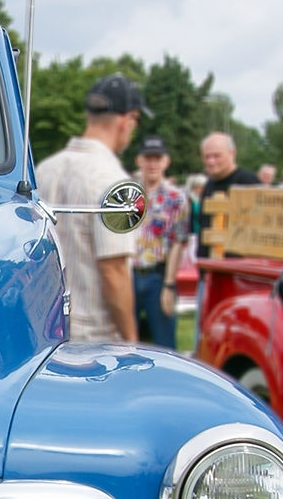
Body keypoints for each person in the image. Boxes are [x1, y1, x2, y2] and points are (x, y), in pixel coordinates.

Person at [37, 73, 149, 342]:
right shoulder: (112, 180)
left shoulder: (45, 170)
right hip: (92, 337)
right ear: (127, 120)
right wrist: (130, 340)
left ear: (90, 116)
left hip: (45, 328)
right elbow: (114, 271)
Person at [131, 137, 189, 349]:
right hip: (128, 274)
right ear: (139, 160)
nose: (152, 164)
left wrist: (169, 284)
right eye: (148, 158)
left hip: (158, 275)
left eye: (157, 158)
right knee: (122, 343)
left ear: (166, 161)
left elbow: (178, 243)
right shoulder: (127, 194)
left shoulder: (177, 198)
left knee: (165, 344)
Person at [195, 133, 261, 258]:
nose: (211, 161)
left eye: (217, 156)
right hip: (208, 267)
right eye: (206, 157)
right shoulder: (208, 186)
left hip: (236, 269)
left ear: (232, 153)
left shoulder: (248, 183)